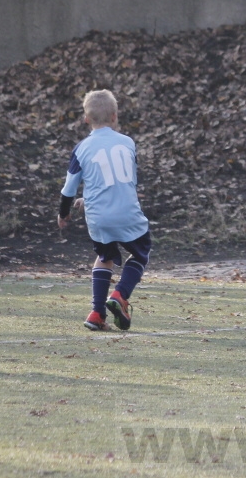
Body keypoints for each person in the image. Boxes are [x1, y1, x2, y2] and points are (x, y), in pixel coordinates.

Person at [57, 89, 151, 332]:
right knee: (140, 254)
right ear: (114, 116)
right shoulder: (128, 143)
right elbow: (123, 182)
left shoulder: (81, 148)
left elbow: (69, 189)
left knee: (105, 257)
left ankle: (97, 313)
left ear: (86, 119)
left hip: (99, 219)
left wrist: (64, 213)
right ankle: (120, 296)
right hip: (128, 213)